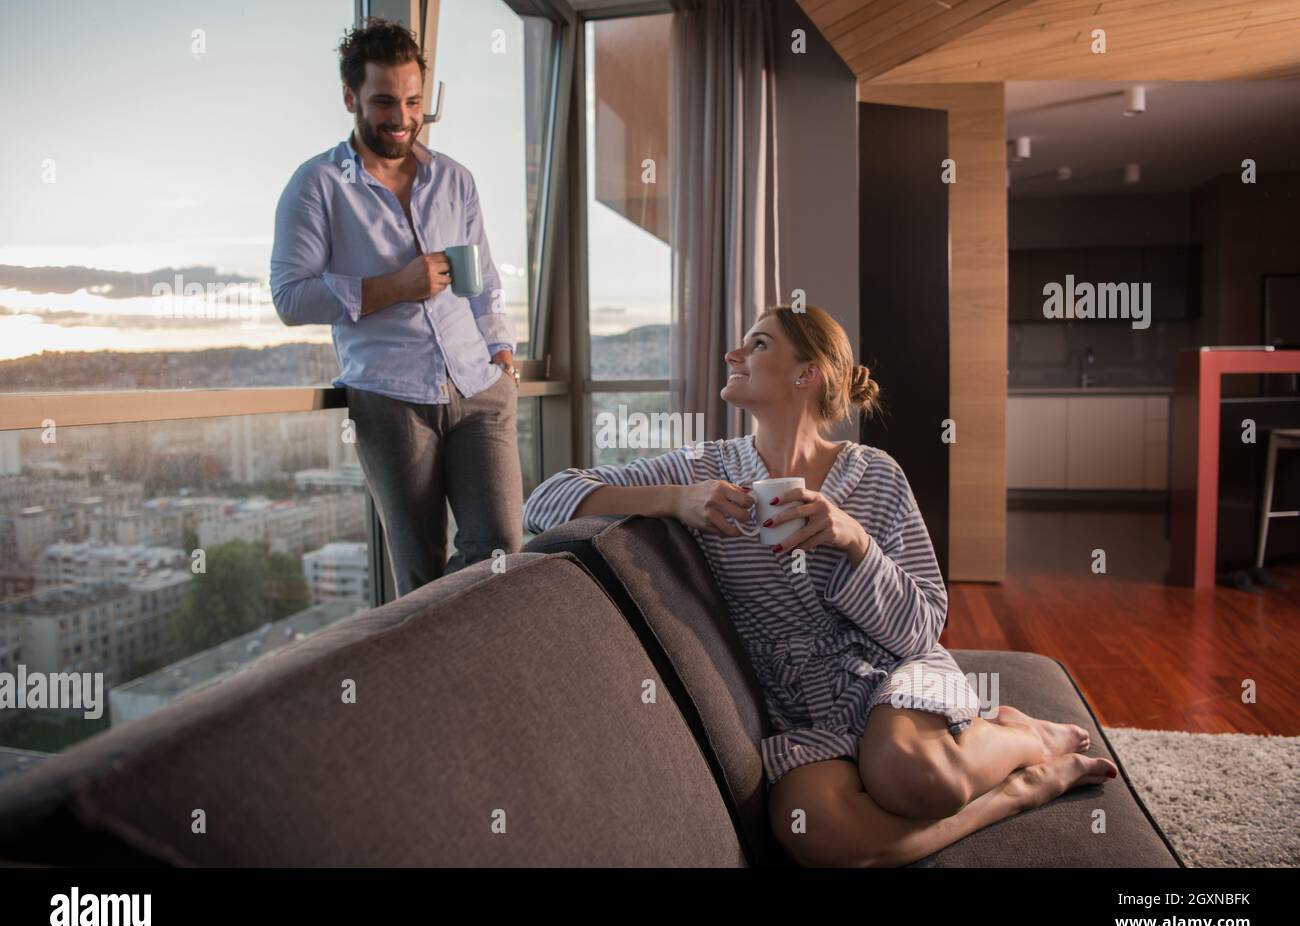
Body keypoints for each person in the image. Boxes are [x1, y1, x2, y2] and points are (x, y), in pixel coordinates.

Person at [523, 303, 1118, 867]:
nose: (733, 354)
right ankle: (1019, 791)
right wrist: (679, 499)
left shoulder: (877, 477)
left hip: (891, 673)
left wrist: (854, 542)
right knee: (817, 835)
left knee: (910, 774)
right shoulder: (701, 469)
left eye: (757, 343)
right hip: (801, 707)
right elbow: (544, 502)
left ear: (808, 372)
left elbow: (921, 631)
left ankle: (1022, 735)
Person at [270, 17, 522, 596]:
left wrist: (502, 348)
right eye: (384, 101)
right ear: (350, 97)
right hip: (390, 398)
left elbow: (481, 280)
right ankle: (431, 681)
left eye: (413, 101)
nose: (403, 118)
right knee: (420, 570)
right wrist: (393, 285)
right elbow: (289, 296)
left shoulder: (455, 179)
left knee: (503, 551)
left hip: (478, 388)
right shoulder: (317, 186)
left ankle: (475, 667)